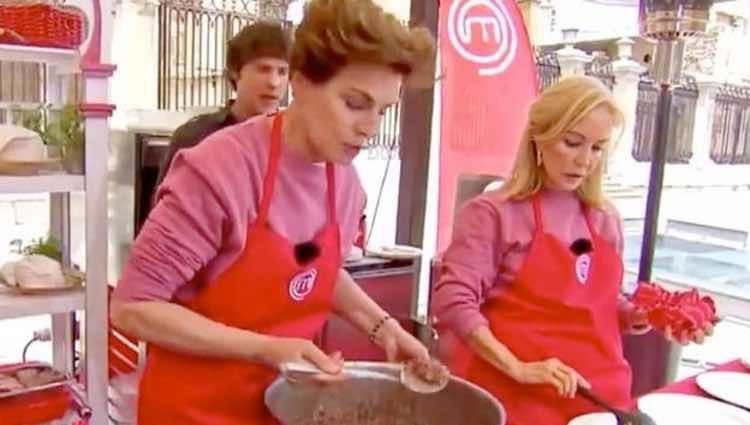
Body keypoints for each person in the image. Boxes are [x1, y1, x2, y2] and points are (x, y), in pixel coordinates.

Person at [111, 0, 436, 423]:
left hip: (279, 410)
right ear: (300, 83)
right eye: (356, 103)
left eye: (383, 110)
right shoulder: (220, 171)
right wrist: (266, 348)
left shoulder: (346, 183)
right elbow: (133, 307)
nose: (370, 128)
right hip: (193, 410)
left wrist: (384, 328)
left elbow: (316, 272)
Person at [431, 76, 712, 425]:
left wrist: (642, 316)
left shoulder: (605, 218)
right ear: (539, 137)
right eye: (572, 142)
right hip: (513, 398)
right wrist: (518, 368)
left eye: (596, 148)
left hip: (599, 398)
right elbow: (453, 302)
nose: (584, 161)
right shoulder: (492, 214)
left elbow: (602, 304)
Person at [154, 21, 292, 188]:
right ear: (234, 73)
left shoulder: (293, 142)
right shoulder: (196, 137)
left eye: (282, 72)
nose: (274, 82)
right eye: (263, 69)